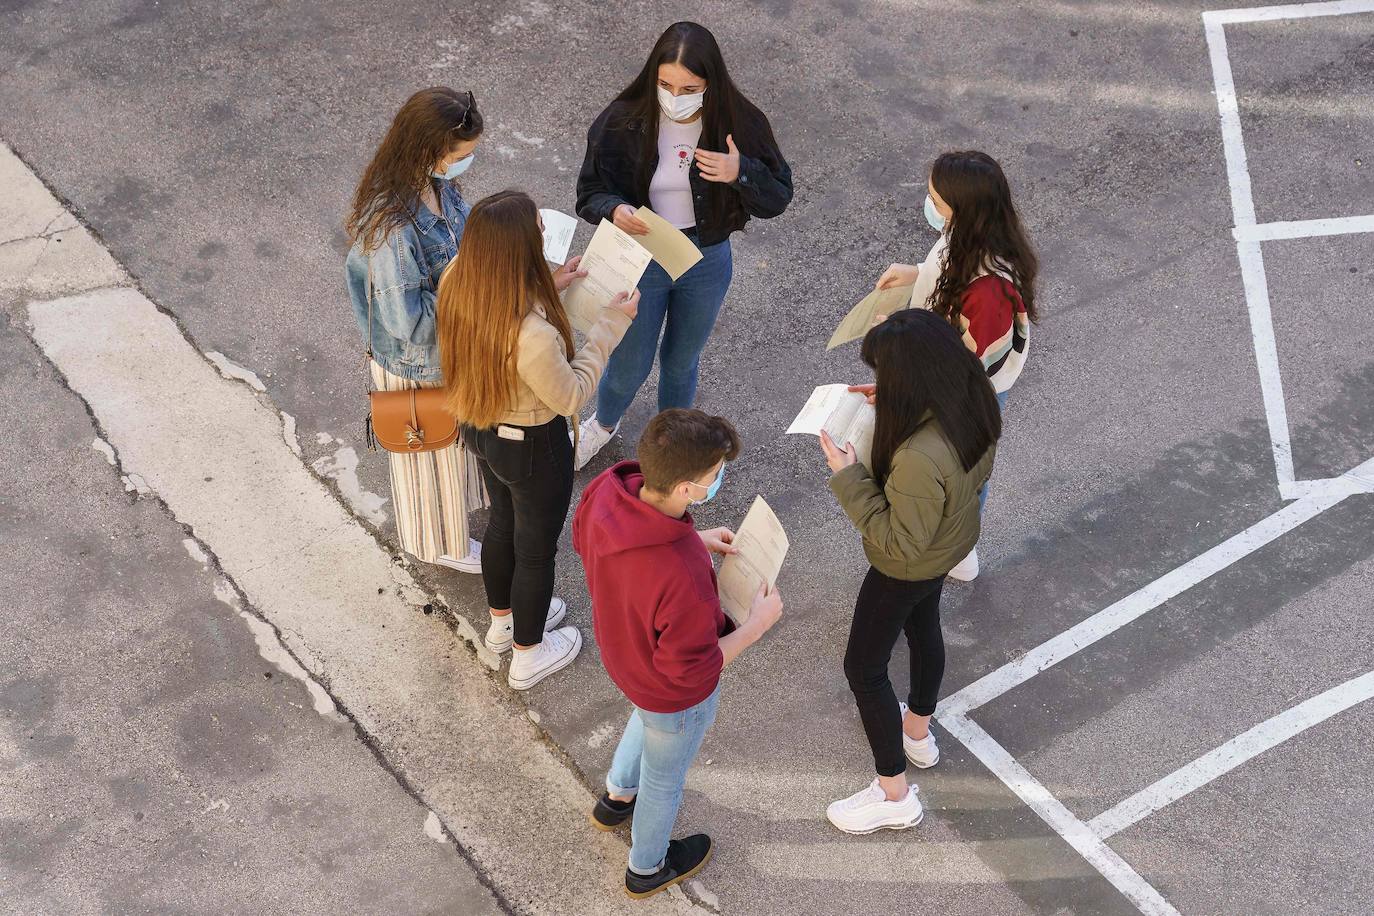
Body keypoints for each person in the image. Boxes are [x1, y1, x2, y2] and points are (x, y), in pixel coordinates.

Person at [572, 409, 784, 898]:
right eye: (713, 475)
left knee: (644, 716)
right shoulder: (683, 573)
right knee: (665, 778)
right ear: (687, 488)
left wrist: (694, 536)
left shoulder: (610, 487)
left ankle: (617, 798)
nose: (717, 480)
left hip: (626, 656)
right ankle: (646, 868)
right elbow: (692, 670)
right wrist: (756, 625)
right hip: (670, 692)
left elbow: (589, 542)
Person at [437, 190, 637, 690]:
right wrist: (611, 326)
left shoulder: (458, 279)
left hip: (478, 426)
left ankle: (502, 625)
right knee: (535, 551)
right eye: (538, 233)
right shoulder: (531, 335)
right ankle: (529, 653)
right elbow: (570, 396)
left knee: (502, 520)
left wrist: (547, 283)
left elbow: (497, 303)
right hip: (532, 446)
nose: (545, 235)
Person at [573, 21, 793, 470]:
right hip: (642, 254)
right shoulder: (623, 120)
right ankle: (603, 424)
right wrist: (614, 209)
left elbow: (779, 195)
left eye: (689, 87)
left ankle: (672, 446)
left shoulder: (740, 123)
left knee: (681, 361)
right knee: (629, 361)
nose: (675, 96)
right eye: (665, 84)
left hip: (706, 258)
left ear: (710, 83)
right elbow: (589, 191)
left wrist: (740, 172)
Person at [820, 310, 999, 835]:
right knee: (924, 628)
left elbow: (898, 537)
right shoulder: (971, 398)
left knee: (864, 669)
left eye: (884, 376)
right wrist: (896, 403)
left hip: (904, 564)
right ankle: (916, 733)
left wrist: (848, 475)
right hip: (947, 547)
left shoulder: (919, 456)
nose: (877, 383)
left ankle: (893, 792)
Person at [864, 150, 1037, 581]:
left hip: (968, 386)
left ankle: (959, 543)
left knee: (966, 467)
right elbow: (947, 268)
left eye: (936, 199)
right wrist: (918, 272)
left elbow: (967, 364)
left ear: (962, 210)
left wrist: (905, 338)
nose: (929, 204)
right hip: (949, 373)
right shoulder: (970, 236)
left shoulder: (990, 288)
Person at [345, 87, 488, 573]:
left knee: (447, 454)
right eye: (459, 155)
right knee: (427, 460)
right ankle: (443, 546)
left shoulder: (439, 186)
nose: (464, 165)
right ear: (427, 150)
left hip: (446, 351)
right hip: (417, 361)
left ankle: (454, 534)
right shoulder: (390, 222)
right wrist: (470, 298)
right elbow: (408, 321)